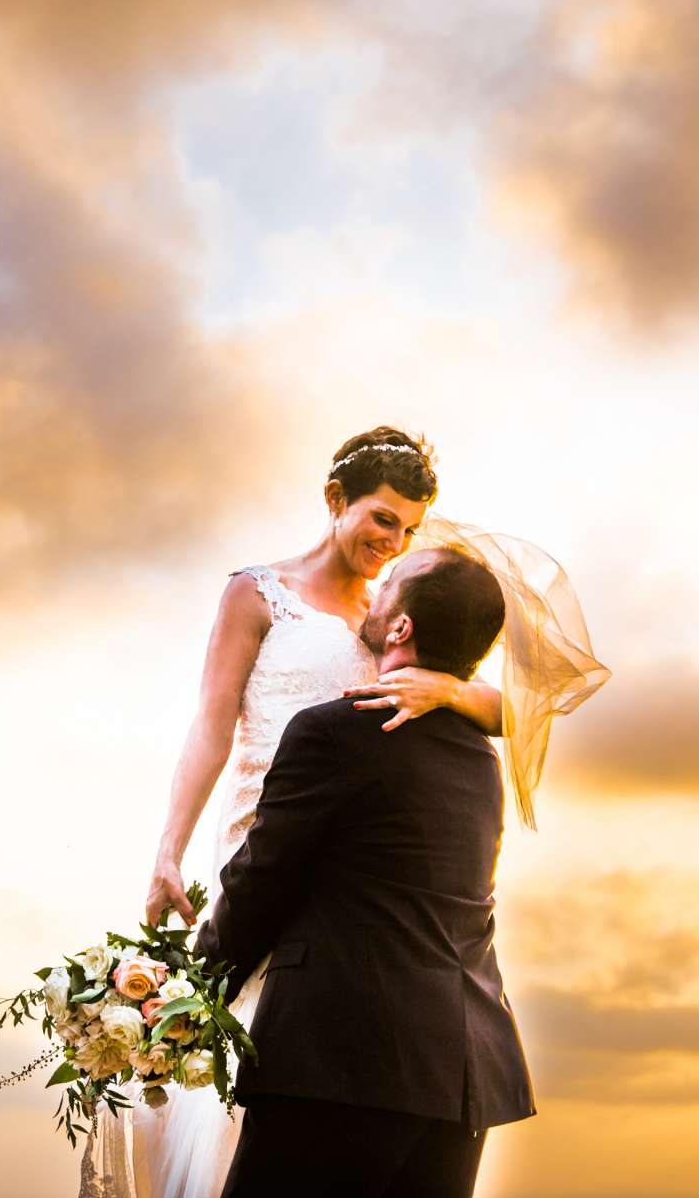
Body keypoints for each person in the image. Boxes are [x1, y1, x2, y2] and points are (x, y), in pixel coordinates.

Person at [125, 428, 500, 1198]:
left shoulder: (402, 615)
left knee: (311, 1088)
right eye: (383, 520)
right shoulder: (260, 594)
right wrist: (171, 846)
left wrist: (451, 690)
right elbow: (212, 722)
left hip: (353, 882)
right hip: (265, 850)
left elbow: (521, 714)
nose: (393, 543)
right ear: (336, 501)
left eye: (410, 529)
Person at [194, 546, 532, 1197]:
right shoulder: (480, 760)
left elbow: (261, 881)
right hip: (461, 1077)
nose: (372, 594)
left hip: (342, 1066)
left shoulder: (332, 734)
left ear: (401, 627)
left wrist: (187, 988)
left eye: (389, 589)